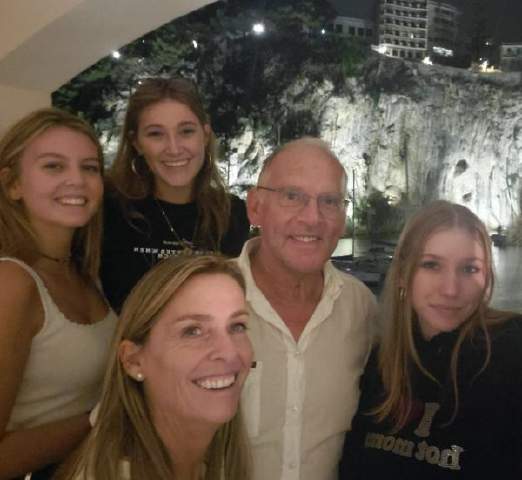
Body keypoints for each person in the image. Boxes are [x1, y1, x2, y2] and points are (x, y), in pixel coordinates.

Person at [339, 200, 522, 479]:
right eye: (432, 265)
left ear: (486, 277)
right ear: (402, 274)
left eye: (469, 269)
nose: (450, 289)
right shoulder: (380, 362)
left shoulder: (511, 351)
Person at [237, 137, 377, 480]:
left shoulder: (362, 309)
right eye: (292, 196)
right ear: (255, 207)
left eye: (329, 201)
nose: (313, 218)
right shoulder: (200, 301)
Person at [56, 255, 253, 480]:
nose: (229, 352)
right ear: (133, 360)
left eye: (237, 326)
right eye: (193, 331)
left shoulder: (217, 467)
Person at [0, 108, 117, 479]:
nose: (77, 180)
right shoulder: (12, 282)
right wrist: (105, 417)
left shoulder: (85, 272)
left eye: (90, 167)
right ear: (12, 185)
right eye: (54, 166)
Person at [101, 77, 250, 312]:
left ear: (205, 135)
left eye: (186, 131)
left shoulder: (232, 214)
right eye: (156, 134)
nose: (173, 148)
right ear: (136, 143)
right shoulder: (109, 210)